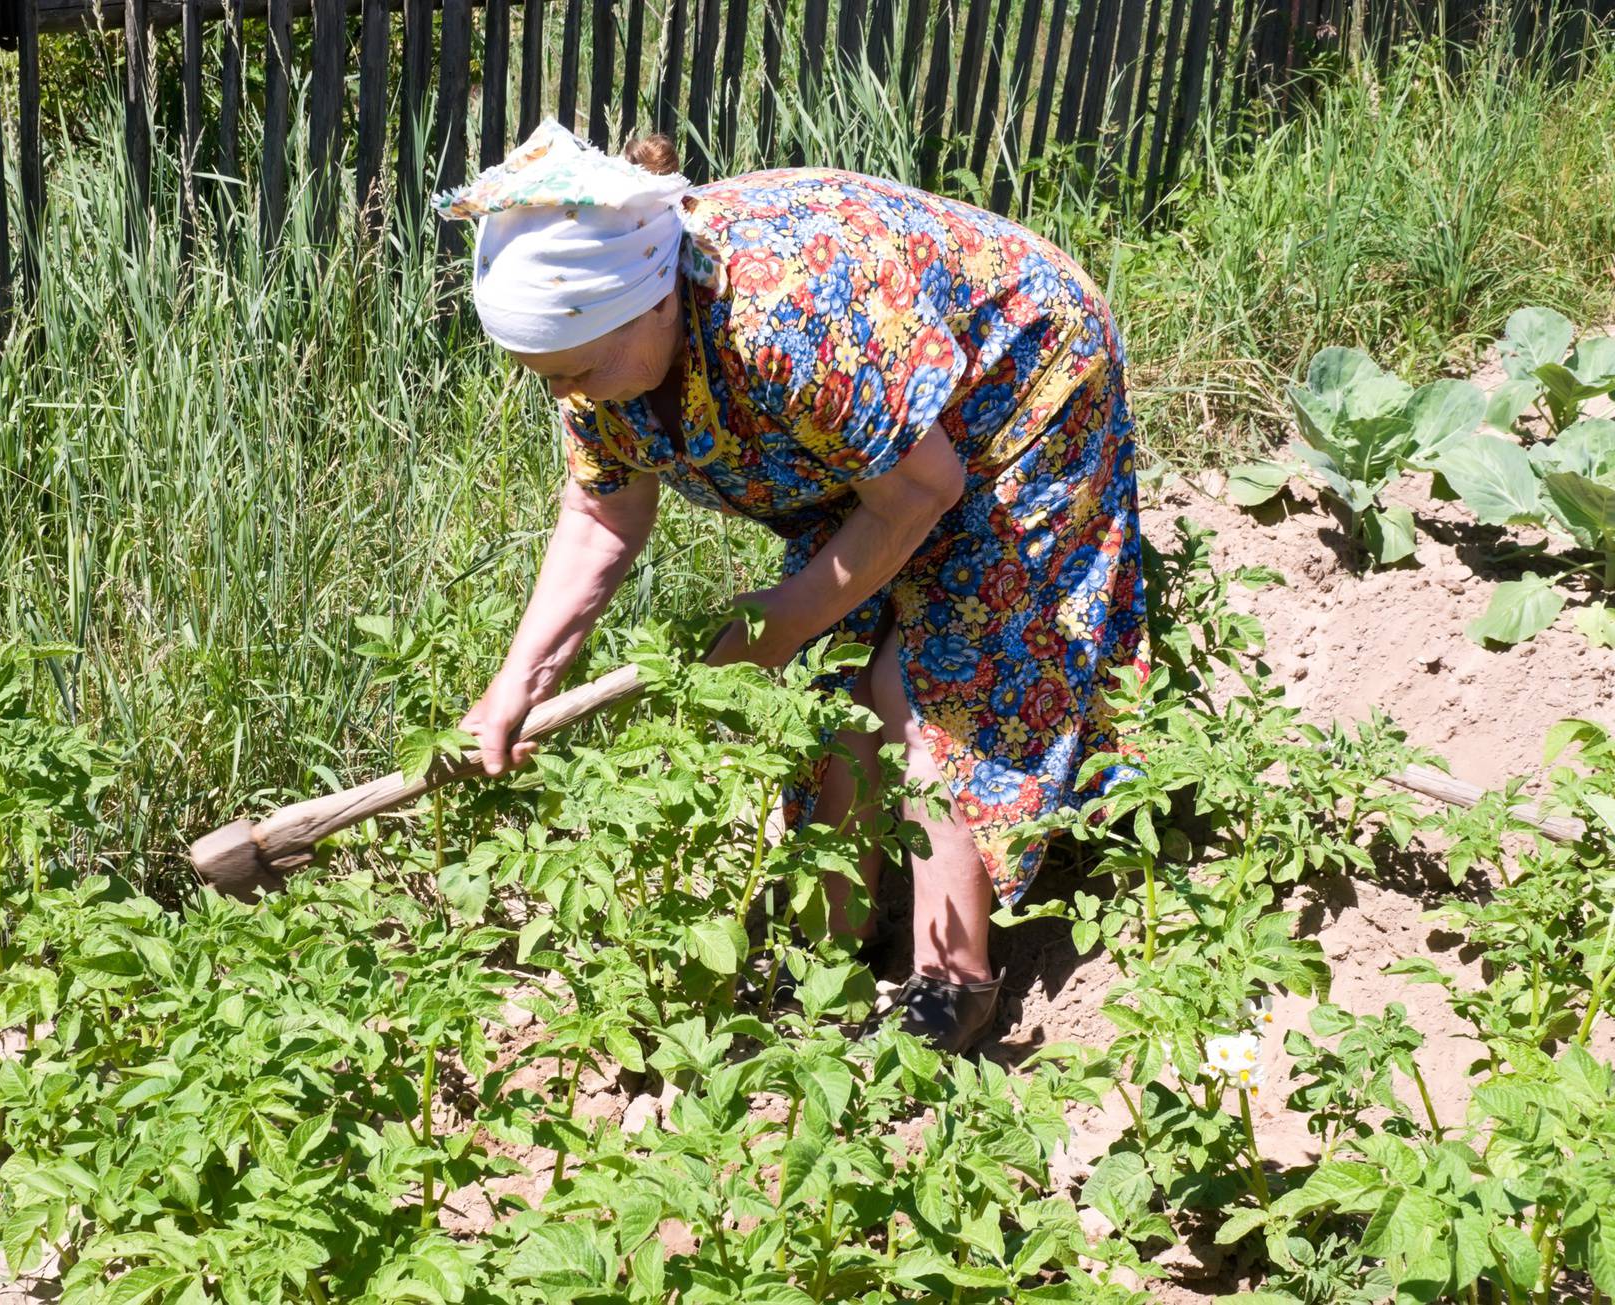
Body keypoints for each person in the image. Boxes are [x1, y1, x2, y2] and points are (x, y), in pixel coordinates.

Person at [437, 119, 1147, 1055]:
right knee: (833, 688)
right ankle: (827, 961)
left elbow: (926, 487)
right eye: (546, 378)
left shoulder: (783, 316)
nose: (570, 394)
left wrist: (783, 616)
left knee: (930, 680)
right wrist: (516, 684)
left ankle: (952, 981)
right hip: (864, 449)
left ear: (655, 304)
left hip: (1018, 389)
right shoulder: (599, 358)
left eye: (579, 369)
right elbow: (603, 513)